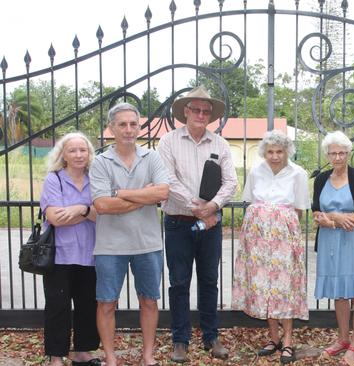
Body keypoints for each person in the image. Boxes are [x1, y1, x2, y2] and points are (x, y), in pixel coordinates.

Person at [158, 85, 238, 362]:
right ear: (185, 111)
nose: (201, 114)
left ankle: (211, 337)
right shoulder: (168, 142)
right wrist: (198, 206)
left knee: (209, 281)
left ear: (211, 115)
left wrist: (212, 207)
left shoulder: (221, 144)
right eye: (196, 109)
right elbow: (167, 180)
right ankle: (180, 340)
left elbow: (231, 182)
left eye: (206, 111)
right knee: (179, 282)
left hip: (210, 224)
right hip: (178, 223)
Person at [89, 102, 170, 366]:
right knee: (106, 304)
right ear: (112, 128)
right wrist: (142, 197)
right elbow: (101, 205)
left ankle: (148, 356)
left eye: (133, 124)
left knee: (149, 301)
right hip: (110, 246)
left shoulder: (153, 157)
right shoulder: (100, 162)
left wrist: (120, 193)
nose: (128, 129)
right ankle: (110, 358)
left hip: (147, 244)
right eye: (122, 124)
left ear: (139, 126)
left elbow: (162, 193)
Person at [232, 130, 310, 364]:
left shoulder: (298, 173)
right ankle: (273, 338)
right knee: (263, 285)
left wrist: (288, 237)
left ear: (287, 151)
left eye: (279, 151)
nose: (275, 156)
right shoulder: (256, 171)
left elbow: (298, 209)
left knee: (284, 288)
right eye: (270, 152)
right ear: (264, 152)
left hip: (283, 237)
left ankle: (287, 342)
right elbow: (251, 201)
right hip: (257, 238)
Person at [313, 131, 354, 366]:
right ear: (327, 155)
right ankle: (343, 339)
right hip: (329, 241)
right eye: (333, 153)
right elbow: (315, 211)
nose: (337, 157)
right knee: (340, 292)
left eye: (342, 152)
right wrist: (335, 218)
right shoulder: (321, 179)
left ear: (349, 153)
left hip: (353, 240)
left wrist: (332, 218)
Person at [40, 132, 101, 366]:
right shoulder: (54, 179)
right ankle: (56, 356)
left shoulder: (96, 179)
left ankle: (83, 352)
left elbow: (103, 213)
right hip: (60, 254)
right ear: (63, 155)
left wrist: (78, 209)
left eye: (83, 150)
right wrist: (87, 211)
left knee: (88, 304)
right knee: (58, 306)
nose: (78, 155)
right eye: (72, 150)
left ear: (89, 154)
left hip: (90, 253)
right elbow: (55, 217)